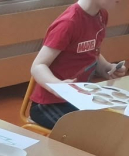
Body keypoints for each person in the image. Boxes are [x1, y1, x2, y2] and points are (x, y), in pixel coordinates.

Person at [28, 0, 126, 130]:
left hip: (79, 98)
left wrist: (106, 67)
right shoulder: (68, 23)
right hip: (48, 105)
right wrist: (58, 86)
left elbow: (91, 51)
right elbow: (38, 66)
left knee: (115, 126)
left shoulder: (101, 15)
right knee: (93, 133)